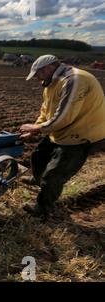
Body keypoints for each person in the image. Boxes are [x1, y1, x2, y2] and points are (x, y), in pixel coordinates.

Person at [20, 55, 105, 217]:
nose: (36, 78)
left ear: (47, 68)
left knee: (54, 174)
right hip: (62, 130)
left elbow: (65, 116)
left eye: (37, 74)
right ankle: (38, 180)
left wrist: (38, 128)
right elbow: (46, 111)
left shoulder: (74, 79)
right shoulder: (50, 84)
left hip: (81, 133)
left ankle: (42, 209)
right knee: (38, 156)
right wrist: (34, 129)